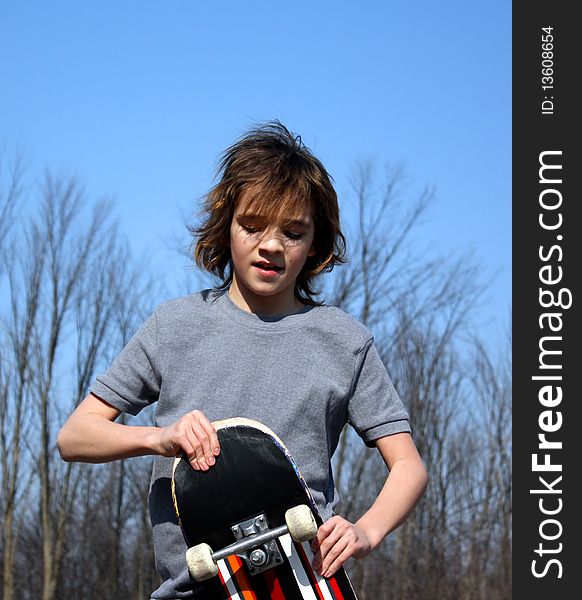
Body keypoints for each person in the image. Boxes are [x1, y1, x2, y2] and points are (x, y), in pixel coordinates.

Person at [58, 121, 428, 599]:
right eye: (252, 225)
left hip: (299, 586)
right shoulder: (175, 326)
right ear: (226, 224)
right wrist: (159, 437)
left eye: (293, 232)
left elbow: (408, 466)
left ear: (315, 244)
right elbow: (74, 437)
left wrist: (366, 531)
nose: (271, 245)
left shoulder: (344, 341)